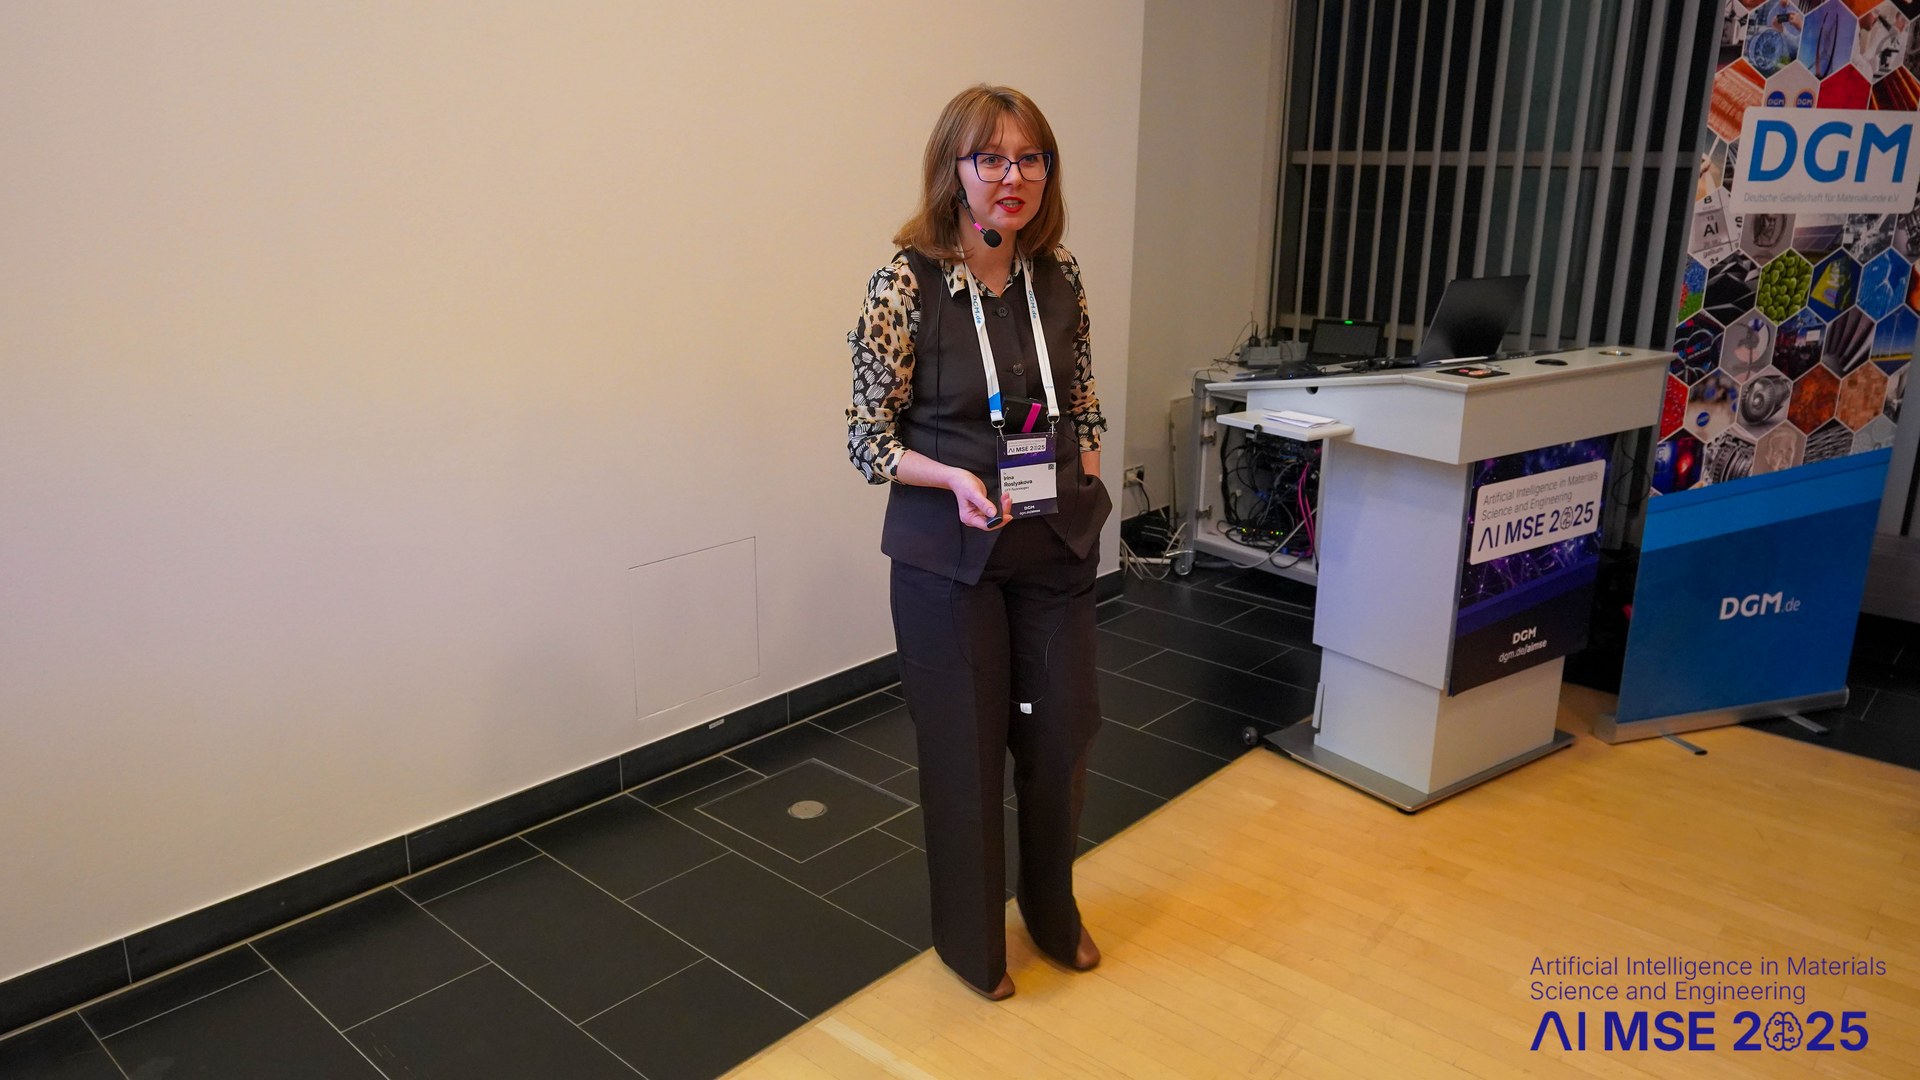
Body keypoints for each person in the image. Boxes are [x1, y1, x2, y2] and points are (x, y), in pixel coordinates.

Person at [845, 85, 1111, 1001]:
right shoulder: (904, 284)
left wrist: (1087, 472)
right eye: (990, 158)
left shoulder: (1058, 274)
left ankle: (1050, 909)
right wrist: (952, 479)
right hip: (948, 562)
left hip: (1053, 547)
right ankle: (972, 944)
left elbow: (1081, 398)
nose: (1013, 177)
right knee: (965, 750)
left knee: (1061, 733)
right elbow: (867, 442)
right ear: (952, 171)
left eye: (1030, 158)